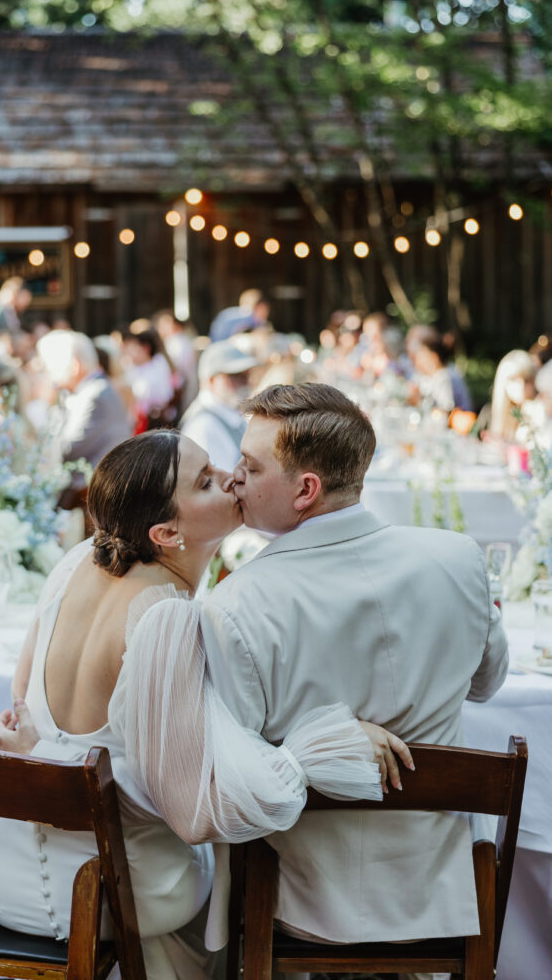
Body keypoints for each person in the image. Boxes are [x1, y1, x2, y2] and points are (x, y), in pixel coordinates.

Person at [0, 430, 409, 980]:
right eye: (205, 481)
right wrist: (318, 749)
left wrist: (42, 756)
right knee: (228, 874)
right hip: (110, 885)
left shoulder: (78, 558)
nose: (231, 477)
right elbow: (195, 809)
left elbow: (20, 699)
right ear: (168, 531)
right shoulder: (165, 616)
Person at [197, 383, 508, 960]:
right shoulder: (459, 557)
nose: (234, 478)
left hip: (300, 898)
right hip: (440, 893)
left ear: (305, 491)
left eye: (250, 465)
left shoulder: (234, 604)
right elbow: (487, 685)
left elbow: (240, 764)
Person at [36, 330, 131, 485]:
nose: (52, 376)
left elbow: (67, 450)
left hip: (90, 488)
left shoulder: (94, 395)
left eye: (53, 367)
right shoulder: (93, 390)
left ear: (75, 366)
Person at [181, 338, 260, 471]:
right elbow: (220, 484)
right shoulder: (204, 425)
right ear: (211, 380)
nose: (246, 383)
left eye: (246, 376)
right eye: (235, 376)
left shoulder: (225, 414)